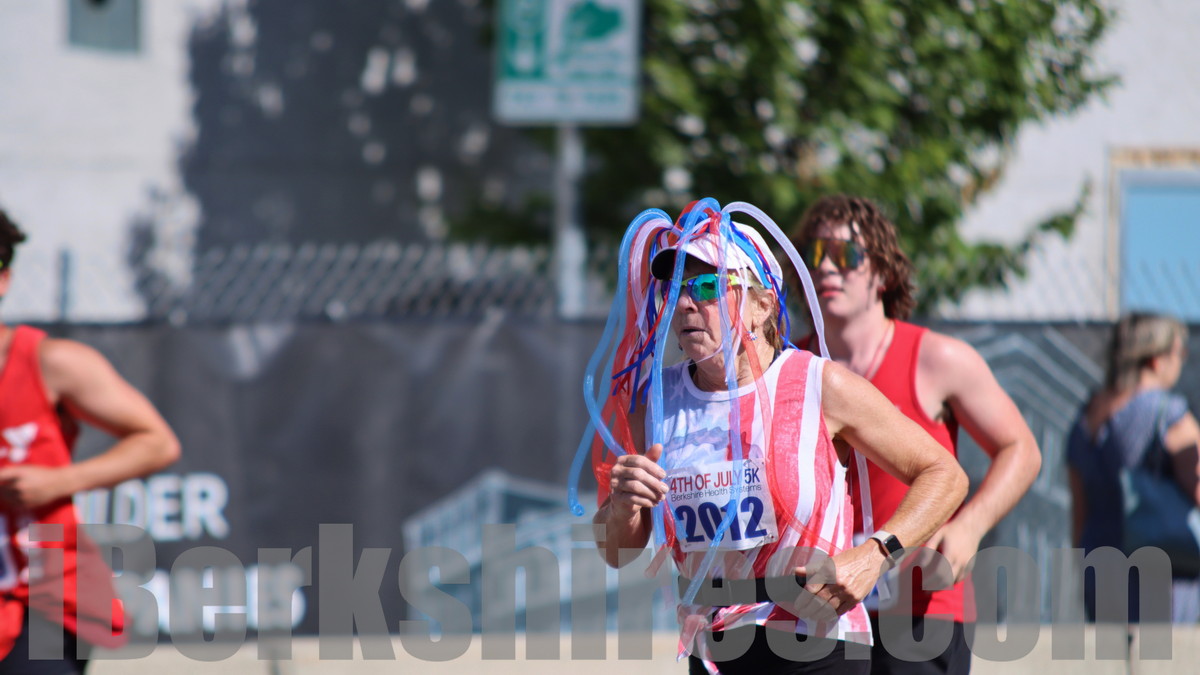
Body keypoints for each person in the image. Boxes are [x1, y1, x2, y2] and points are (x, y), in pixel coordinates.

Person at [591, 203, 968, 674]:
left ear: (762, 305)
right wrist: (622, 506)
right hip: (713, 650)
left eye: (707, 287)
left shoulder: (818, 385)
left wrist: (875, 555)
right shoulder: (657, 403)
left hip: (816, 643)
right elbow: (616, 552)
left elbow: (944, 474)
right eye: (676, 289)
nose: (686, 303)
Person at [788, 194, 1042, 674]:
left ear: (882, 272)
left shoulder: (937, 359)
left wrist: (970, 527)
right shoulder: (790, 368)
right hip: (822, 609)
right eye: (815, 254)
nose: (826, 267)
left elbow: (1021, 450)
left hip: (921, 608)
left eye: (845, 254)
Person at [0, 208, 181, 673]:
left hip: (42, 596)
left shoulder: (50, 362)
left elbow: (157, 442)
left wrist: (57, 481)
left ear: (4, 279)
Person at [1067, 312, 1200, 623]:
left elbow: (1080, 512)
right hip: (1165, 574)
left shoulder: (1085, 420)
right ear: (1156, 360)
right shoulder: (1168, 414)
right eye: (1179, 353)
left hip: (1099, 570)